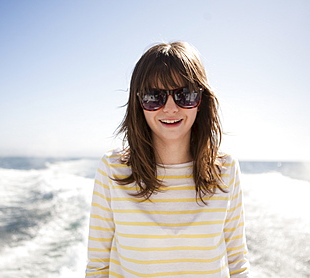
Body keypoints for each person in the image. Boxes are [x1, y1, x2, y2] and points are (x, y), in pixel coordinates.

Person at [85, 41, 250, 277]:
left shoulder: (226, 169)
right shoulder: (113, 169)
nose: (170, 108)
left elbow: (237, 262)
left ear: (201, 100)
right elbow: (98, 266)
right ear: (138, 102)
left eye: (185, 94)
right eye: (155, 96)